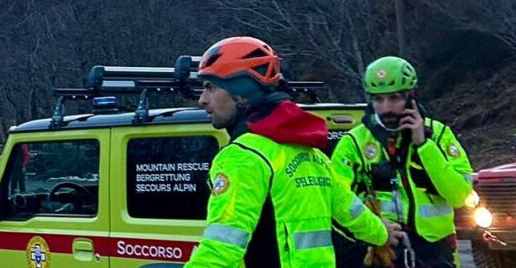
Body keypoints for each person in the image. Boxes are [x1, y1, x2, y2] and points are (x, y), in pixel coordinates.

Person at [186, 37, 401, 268]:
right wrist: (382, 234)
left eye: (211, 87)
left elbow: (220, 250)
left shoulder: (243, 156)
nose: (202, 99)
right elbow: (351, 211)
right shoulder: (311, 153)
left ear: (242, 93)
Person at [330, 56, 474, 268]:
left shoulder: (440, 135)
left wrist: (424, 146)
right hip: (382, 250)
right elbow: (334, 200)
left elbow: (460, 196)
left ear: (410, 97)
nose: (386, 108)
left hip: (436, 253)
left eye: (394, 98)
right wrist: (374, 228)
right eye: (378, 100)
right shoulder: (353, 143)